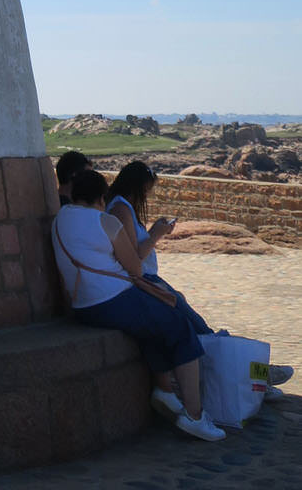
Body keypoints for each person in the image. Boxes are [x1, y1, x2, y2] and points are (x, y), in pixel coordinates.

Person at [53, 167, 225, 440]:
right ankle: (194, 415)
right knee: (180, 327)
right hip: (112, 298)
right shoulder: (106, 222)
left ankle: (165, 391)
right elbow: (134, 267)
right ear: (101, 197)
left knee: (151, 326)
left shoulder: (60, 219)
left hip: (82, 306)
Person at [107, 160, 294, 397]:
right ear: (137, 186)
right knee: (201, 332)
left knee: (200, 329)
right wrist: (156, 233)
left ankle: (253, 378)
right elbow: (134, 257)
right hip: (147, 282)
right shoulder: (121, 208)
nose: (147, 196)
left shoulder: (121, 207)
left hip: (150, 281)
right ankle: (255, 375)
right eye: (146, 190)